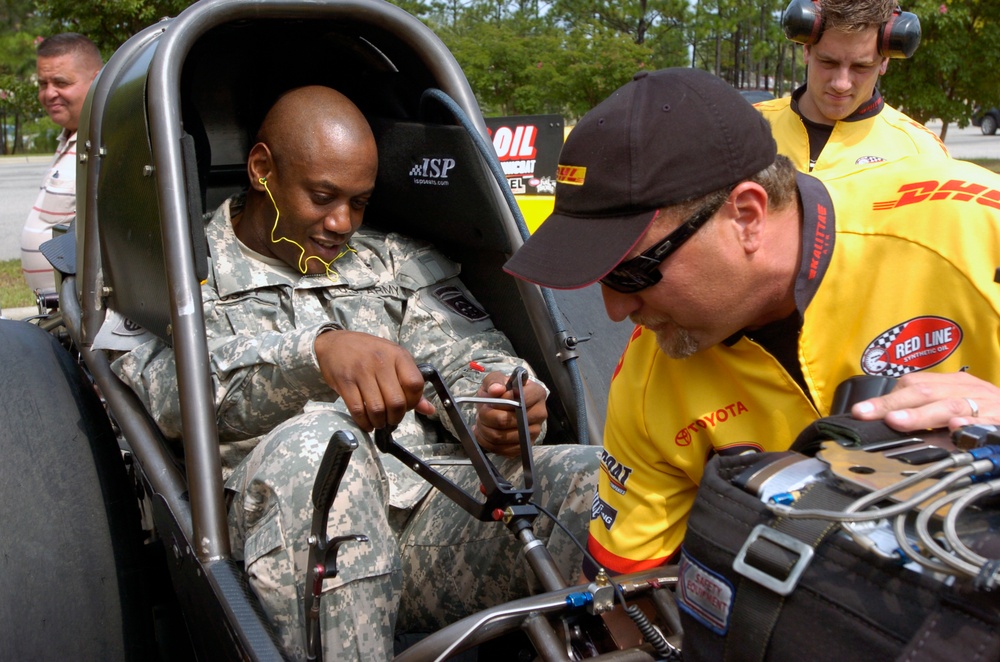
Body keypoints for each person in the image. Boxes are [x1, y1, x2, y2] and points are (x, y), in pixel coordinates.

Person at [103, 85, 597, 660]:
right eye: (322, 196)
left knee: (604, 483)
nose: (342, 222)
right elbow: (170, 398)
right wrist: (314, 355)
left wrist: (503, 403)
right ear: (262, 169)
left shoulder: (393, 262)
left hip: (429, 523)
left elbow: (474, 357)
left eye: (358, 202)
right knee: (321, 449)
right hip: (283, 547)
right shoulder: (175, 273)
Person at [503, 67, 1000, 578]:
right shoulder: (649, 380)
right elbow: (628, 595)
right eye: (599, 278)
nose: (614, 310)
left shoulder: (974, 234)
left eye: (632, 272)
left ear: (746, 215)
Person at [755, 0, 948, 175]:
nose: (841, 84)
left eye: (861, 67)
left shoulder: (920, 152)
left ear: (884, 62)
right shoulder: (748, 127)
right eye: (828, 62)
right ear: (806, 50)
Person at [21, 33, 102, 292]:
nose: (49, 93)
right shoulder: (71, 136)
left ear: (97, 79)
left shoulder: (104, 141)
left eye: (61, 82)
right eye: (43, 84)